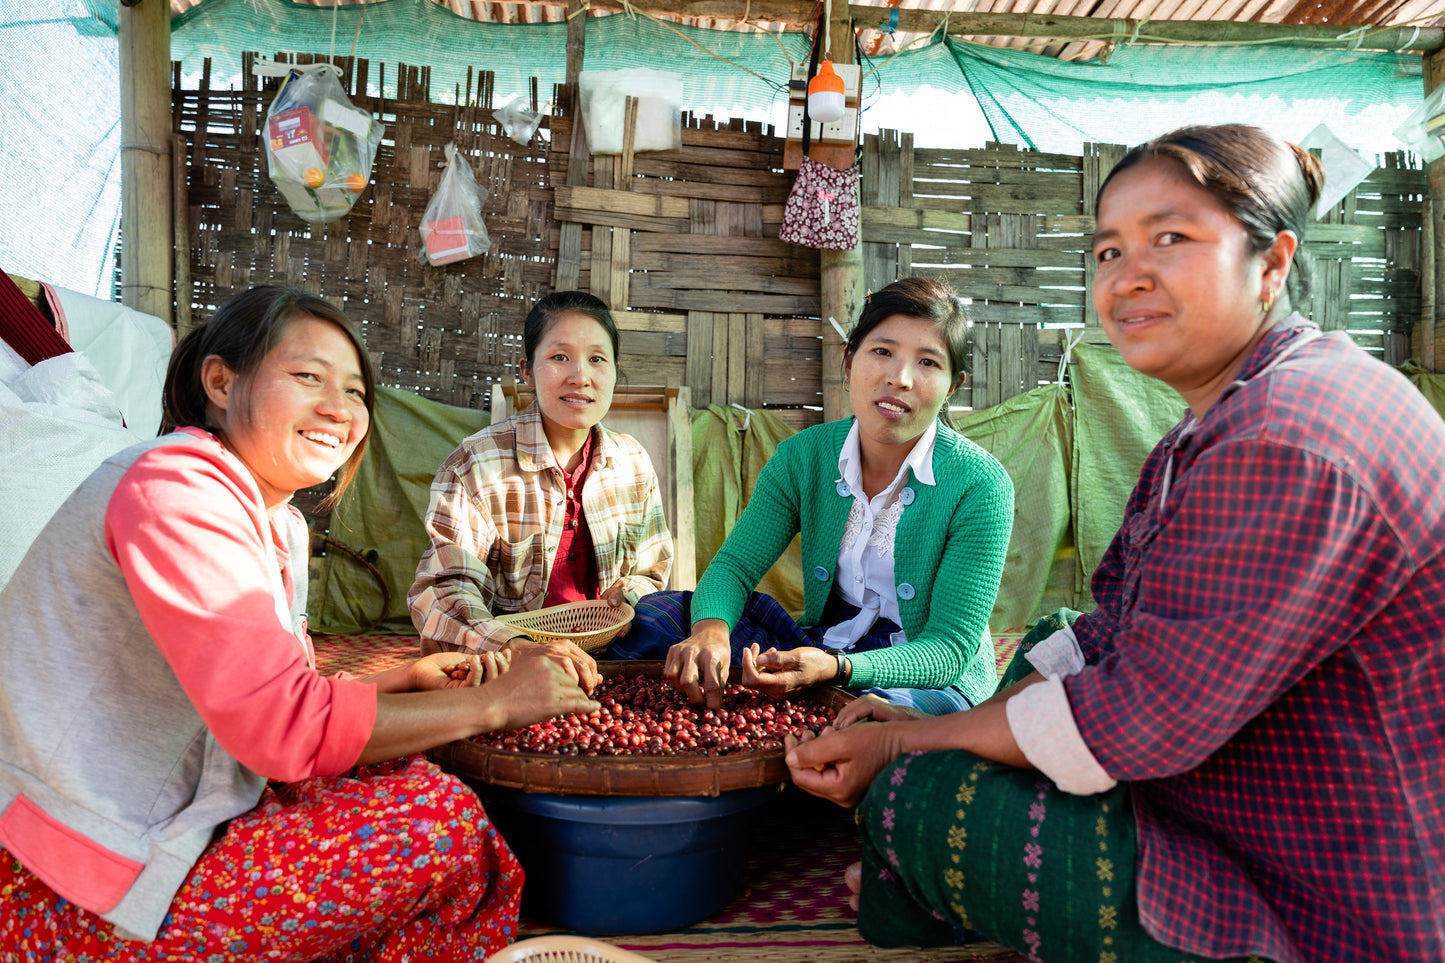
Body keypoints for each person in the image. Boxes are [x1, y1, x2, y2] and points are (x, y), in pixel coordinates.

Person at [785, 124, 1445, 963]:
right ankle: (920, 876)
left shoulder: (1286, 436)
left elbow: (1132, 717)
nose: (1127, 275)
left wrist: (901, 738)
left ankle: (917, 879)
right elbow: (1110, 628)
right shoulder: (1222, 419)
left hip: (1328, 890)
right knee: (1054, 639)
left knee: (916, 794)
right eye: (1106, 250)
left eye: (1171, 237)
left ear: (1271, 264)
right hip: (1231, 781)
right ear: (851, 364)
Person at [0, 285, 599, 960]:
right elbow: (283, 728)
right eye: (308, 377)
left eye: (354, 392)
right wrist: (492, 702)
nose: (337, 410)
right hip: (75, 878)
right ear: (222, 381)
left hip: (161, 813)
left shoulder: (267, 517)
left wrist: (403, 680)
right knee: (441, 824)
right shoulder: (174, 490)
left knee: (410, 772)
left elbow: (263, 693)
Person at [617, 277, 1014, 716]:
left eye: (927, 362)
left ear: (952, 386)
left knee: (882, 723)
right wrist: (710, 631)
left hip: (923, 672)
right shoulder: (803, 457)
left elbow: (949, 648)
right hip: (824, 639)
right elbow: (735, 566)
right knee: (659, 617)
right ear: (848, 362)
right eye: (882, 352)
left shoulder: (980, 485)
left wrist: (836, 668)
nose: (898, 379)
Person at [409, 290, 674, 690]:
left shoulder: (632, 462)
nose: (580, 376)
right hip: (508, 667)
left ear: (615, 372)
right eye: (559, 357)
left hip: (611, 658)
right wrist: (516, 648)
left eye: (597, 359)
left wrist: (630, 592)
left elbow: (653, 569)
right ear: (527, 371)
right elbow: (445, 591)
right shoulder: (476, 464)